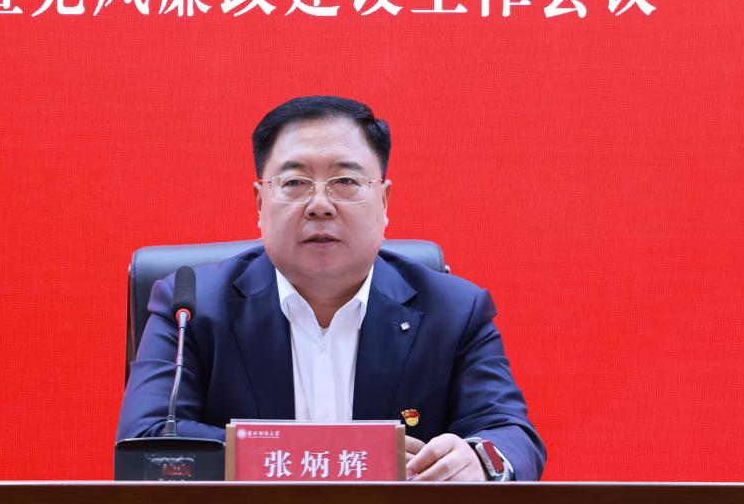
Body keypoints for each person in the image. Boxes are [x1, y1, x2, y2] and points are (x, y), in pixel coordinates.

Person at [116, 96, 545, 481]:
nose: (320, 205)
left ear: (384, 201)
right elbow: (148, 441)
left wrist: (477, 460)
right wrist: (348, 456)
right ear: (261, 203)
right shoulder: (191, 305)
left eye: (346, 182)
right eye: (294, 183)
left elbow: (510, 437)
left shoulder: (453, 310)